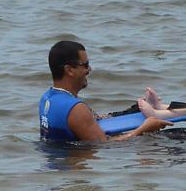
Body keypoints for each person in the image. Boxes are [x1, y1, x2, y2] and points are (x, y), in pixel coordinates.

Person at [39, 40, 170, 142]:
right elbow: (103, 146)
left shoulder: (47, 98)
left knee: (133, 112)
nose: (89, 69)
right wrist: (143, 129)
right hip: (74, 161)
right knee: (173, 140)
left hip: (59, 161)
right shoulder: (76, 109)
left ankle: (151, 108)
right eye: (85, 64)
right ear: (69, 70)